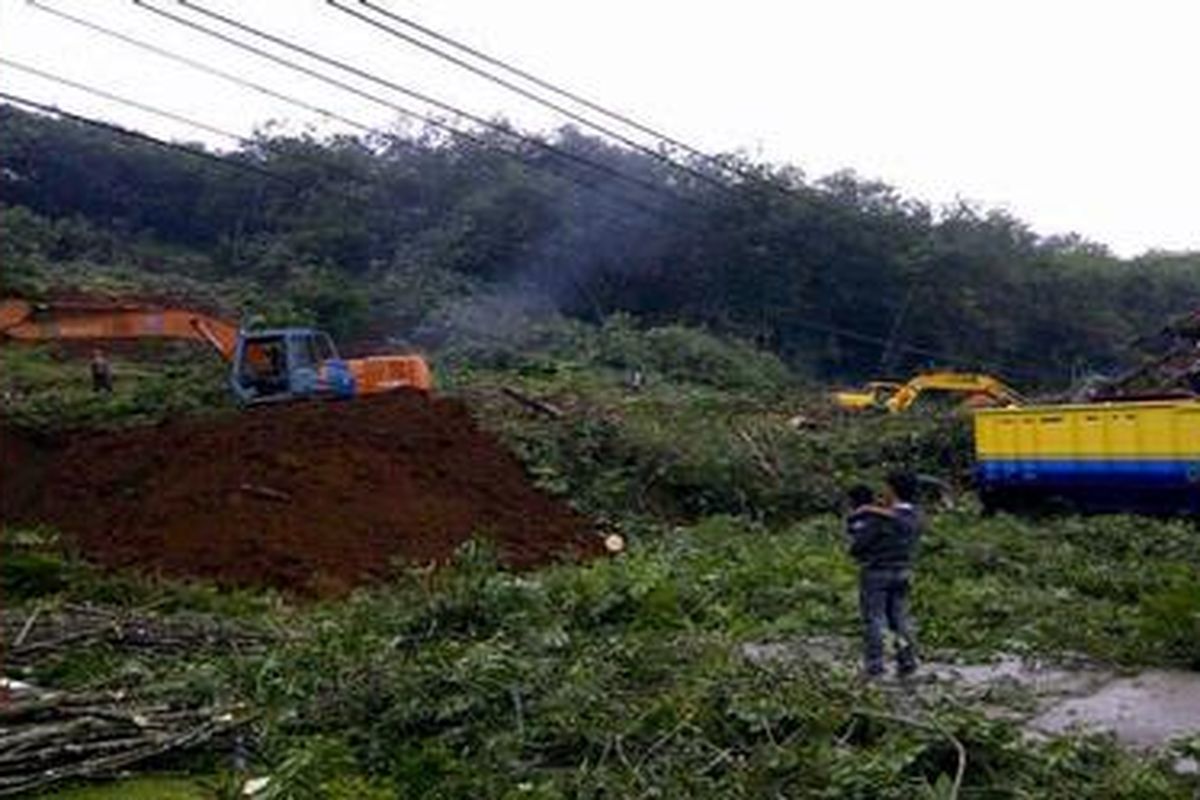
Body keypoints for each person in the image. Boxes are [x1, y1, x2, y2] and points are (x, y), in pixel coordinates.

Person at [846, 471, 922, 679]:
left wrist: (862, 518)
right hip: (904, 572)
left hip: (877, 573)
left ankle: (875, 666)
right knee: (899, 620)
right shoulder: (915, 515)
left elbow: (859, 546)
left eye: (885, 488)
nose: (882, 492)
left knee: (875, 620)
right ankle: (906, 660)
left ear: (892, 489)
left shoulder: (880, 518)